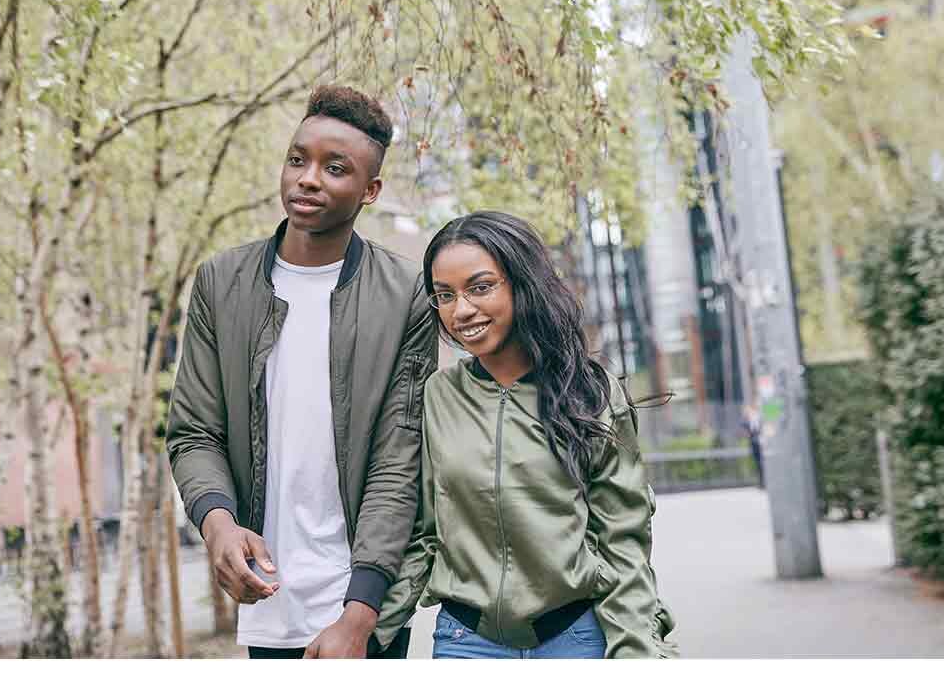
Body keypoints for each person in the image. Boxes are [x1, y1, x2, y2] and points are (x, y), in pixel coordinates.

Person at [166, 85, 437, 659]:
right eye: (298, 159)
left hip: (366, 608)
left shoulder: (407, 294)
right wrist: (217, 523)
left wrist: (361, 614)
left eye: (334, 168)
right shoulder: (222, 283)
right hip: (268, 598)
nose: (308, 178)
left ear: (370, 191)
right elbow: (194, 432)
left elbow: (400, 458)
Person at [370, 211, 678, 659]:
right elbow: (421, 536)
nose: (462, 310)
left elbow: (622, 539)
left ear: (521, 283)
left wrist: (634, 653)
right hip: (466, 644)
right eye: (445, 295)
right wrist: (364, 631)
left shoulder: (589, 392)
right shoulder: (437, 397)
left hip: (576, 638)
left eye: (480, 287)